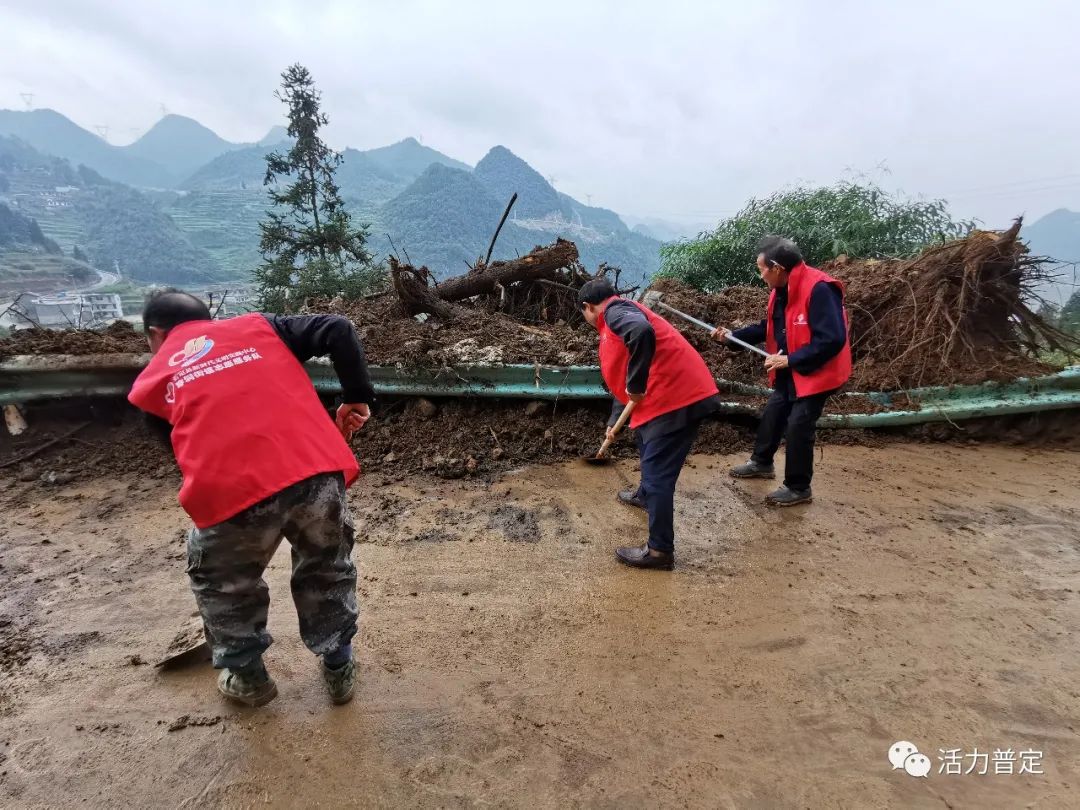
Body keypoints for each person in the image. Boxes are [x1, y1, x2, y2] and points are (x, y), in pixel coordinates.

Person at [128, 289, 376, 707]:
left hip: (232, 488)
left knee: (224, 581)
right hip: (313, 469)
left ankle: (248, 677)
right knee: (328, 565)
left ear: (155, 334)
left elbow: (178, 448)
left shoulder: (153, 377)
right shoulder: (261, 327)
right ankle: (339, 666)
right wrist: (356, 396)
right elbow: (337, 327)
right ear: (209, 318)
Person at [579, 278, 720, 570]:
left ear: (588, 307)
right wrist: (613, 420)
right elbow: (626, 374)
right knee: (644, 439)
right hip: (667, 396)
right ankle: (644, 495)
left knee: (658, 474)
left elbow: (641, 335)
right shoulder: (617, 318)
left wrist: (637, 383)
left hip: (678, 398)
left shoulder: (616, 314)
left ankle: (659, 552)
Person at [712, 237, 851, 506]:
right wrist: (732, 338)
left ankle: (799, 487)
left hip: (818, 370)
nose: (760, 274)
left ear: (776, 267)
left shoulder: (820, 289)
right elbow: (770, 326)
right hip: (792, 366)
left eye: (761, 268)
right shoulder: (782, 288)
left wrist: (790, 360)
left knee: (799, 425)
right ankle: (761, 462)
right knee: (774, 413)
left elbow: (833, 339)